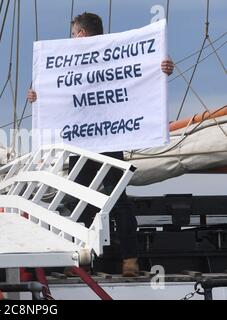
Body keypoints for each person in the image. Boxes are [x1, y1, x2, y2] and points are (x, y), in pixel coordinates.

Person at [28, 13, 174, 277]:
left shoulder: (97, 56)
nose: (72, 38)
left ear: (81, 34)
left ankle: (91, 263)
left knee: (88, 201)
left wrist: (160, 68)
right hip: (97, 140)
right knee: (109, 201)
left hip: (91, 141)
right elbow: (58, 91)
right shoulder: (100, 57)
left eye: (73, 34)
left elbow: (143, 70)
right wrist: (38, 96)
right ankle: (121, 260)